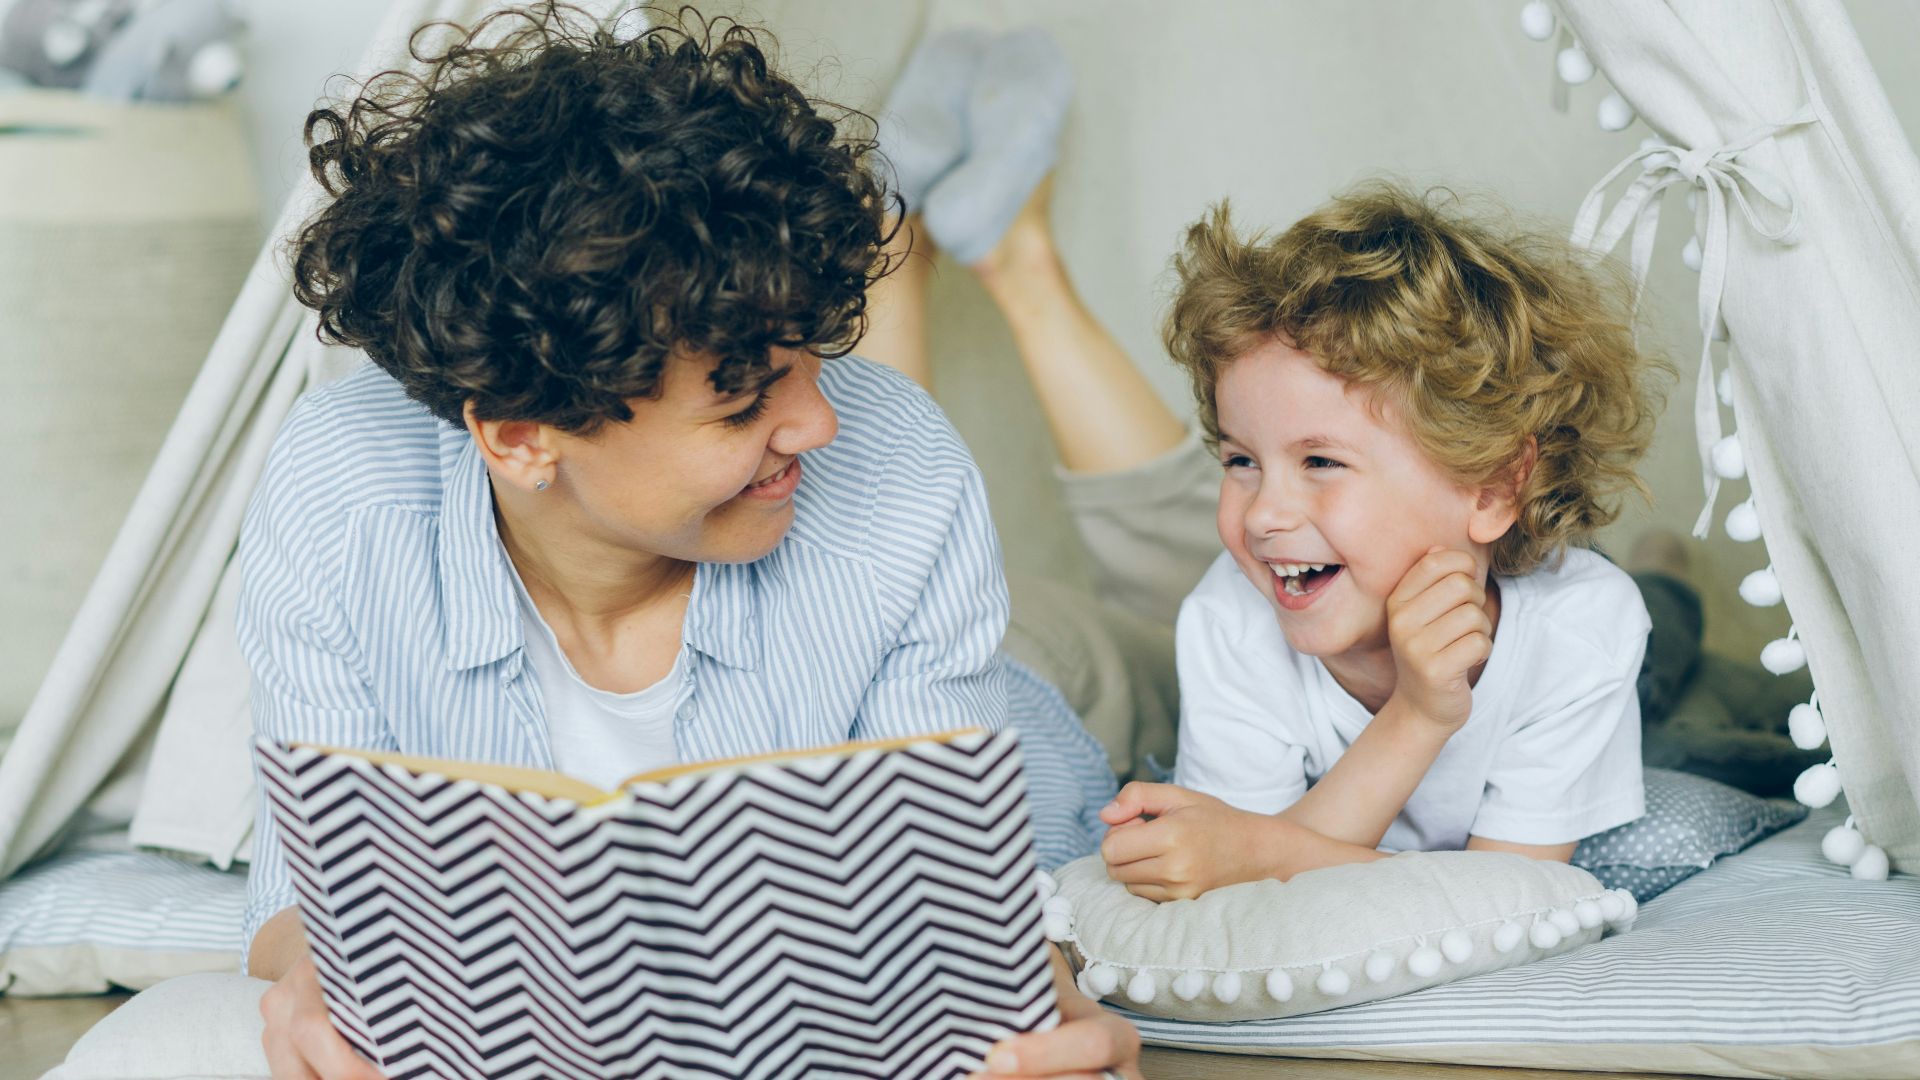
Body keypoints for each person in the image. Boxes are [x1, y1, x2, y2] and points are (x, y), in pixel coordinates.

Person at [234, 7, 1136, 1078]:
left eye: (813, 355)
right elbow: (302, 902)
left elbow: (955, 914)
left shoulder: (899, 467)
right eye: (745, 393)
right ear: (522, 436)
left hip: (1043, 689)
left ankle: (980, 249)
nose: (817, 421)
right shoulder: (337, 488)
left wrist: (1043, 1006)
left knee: (1156, 650)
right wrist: (319, 980)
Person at [1093, 185, 1671, 898]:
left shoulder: (1583, 628)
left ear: (1491, 489)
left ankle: (1669, 572)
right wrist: (1416, 718)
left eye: (1321, 462)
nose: (1264, 515)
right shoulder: (1228, 618)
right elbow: (1244, 887)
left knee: (1671, 654)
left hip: (1612, 630)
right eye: (1241, 460)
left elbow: (1513, 900)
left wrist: (1260, 851)